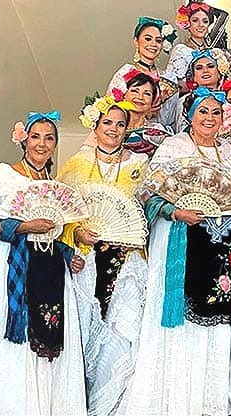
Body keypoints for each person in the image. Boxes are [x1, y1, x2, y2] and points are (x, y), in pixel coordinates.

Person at [119, 87, 231, 415]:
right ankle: (175, 397)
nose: (209, 118)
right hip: (180, 236)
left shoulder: (228, 152)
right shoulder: (175, 146)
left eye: (216, 112)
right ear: (189, 115)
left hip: (220, 244)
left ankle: (207, 398)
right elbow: (149, 193)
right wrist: (176, 212)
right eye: (203, 111)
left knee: (214, 314)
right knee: (182, 315)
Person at [0, 112, 86, 415]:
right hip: (9, 270)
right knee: (9, 348)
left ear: (55, 144)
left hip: (49, 272)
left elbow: (52, 233)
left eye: (49, 137)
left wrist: (69, 255)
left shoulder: (52, 185)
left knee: (47, 345)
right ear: (24, 140)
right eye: (36, 136)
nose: (42, 144)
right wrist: (23, 226)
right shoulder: (5, 173)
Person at [57, 96, 149, 416]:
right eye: (106, 123)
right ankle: (78, 402)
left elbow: (143, 215)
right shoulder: (75, 166)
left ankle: (111, 404)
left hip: (125, 262)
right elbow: (60, 215)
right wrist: (76, 235)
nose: (112, 129)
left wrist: (130, 239)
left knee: (121, 331)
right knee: (82, 330)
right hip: (86, 259)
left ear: (127, 130)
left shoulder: (139, 166)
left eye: (119, 124)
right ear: (94, 126)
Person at [118, 70, 173, 157]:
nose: (140, 97)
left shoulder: (158, 132)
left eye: (147, 94)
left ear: (153, 101)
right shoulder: (111, 127)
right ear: (125, 95)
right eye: (135, 91)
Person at [174, 48, 231, 133]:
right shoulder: (185, 101)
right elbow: (181, 131)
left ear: (219, 73)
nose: (205, 71)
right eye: (199, 68)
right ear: (193, 76)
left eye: (210, 66)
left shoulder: (228, 99)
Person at [166, 2, 214, 88]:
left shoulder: (212, 51)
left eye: (205, 21)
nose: (201, 25)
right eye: (195, 20)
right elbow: (173, 84)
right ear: (187, 23)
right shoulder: (181, 50)